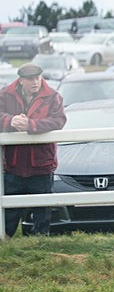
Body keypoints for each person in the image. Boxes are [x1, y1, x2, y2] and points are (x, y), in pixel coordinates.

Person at [1, 63, 67, 237]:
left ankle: (39, 245)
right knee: (9, 213)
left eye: (38, 78)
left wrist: (32, 125)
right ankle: (5, 244)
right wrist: (10, 121)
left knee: (42, 211)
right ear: (21, 80)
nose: (35, 82)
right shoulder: (5, 95)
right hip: (13, 164)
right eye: (30, 79)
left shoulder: (53, 96)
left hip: (41, 164)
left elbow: (59, 121)